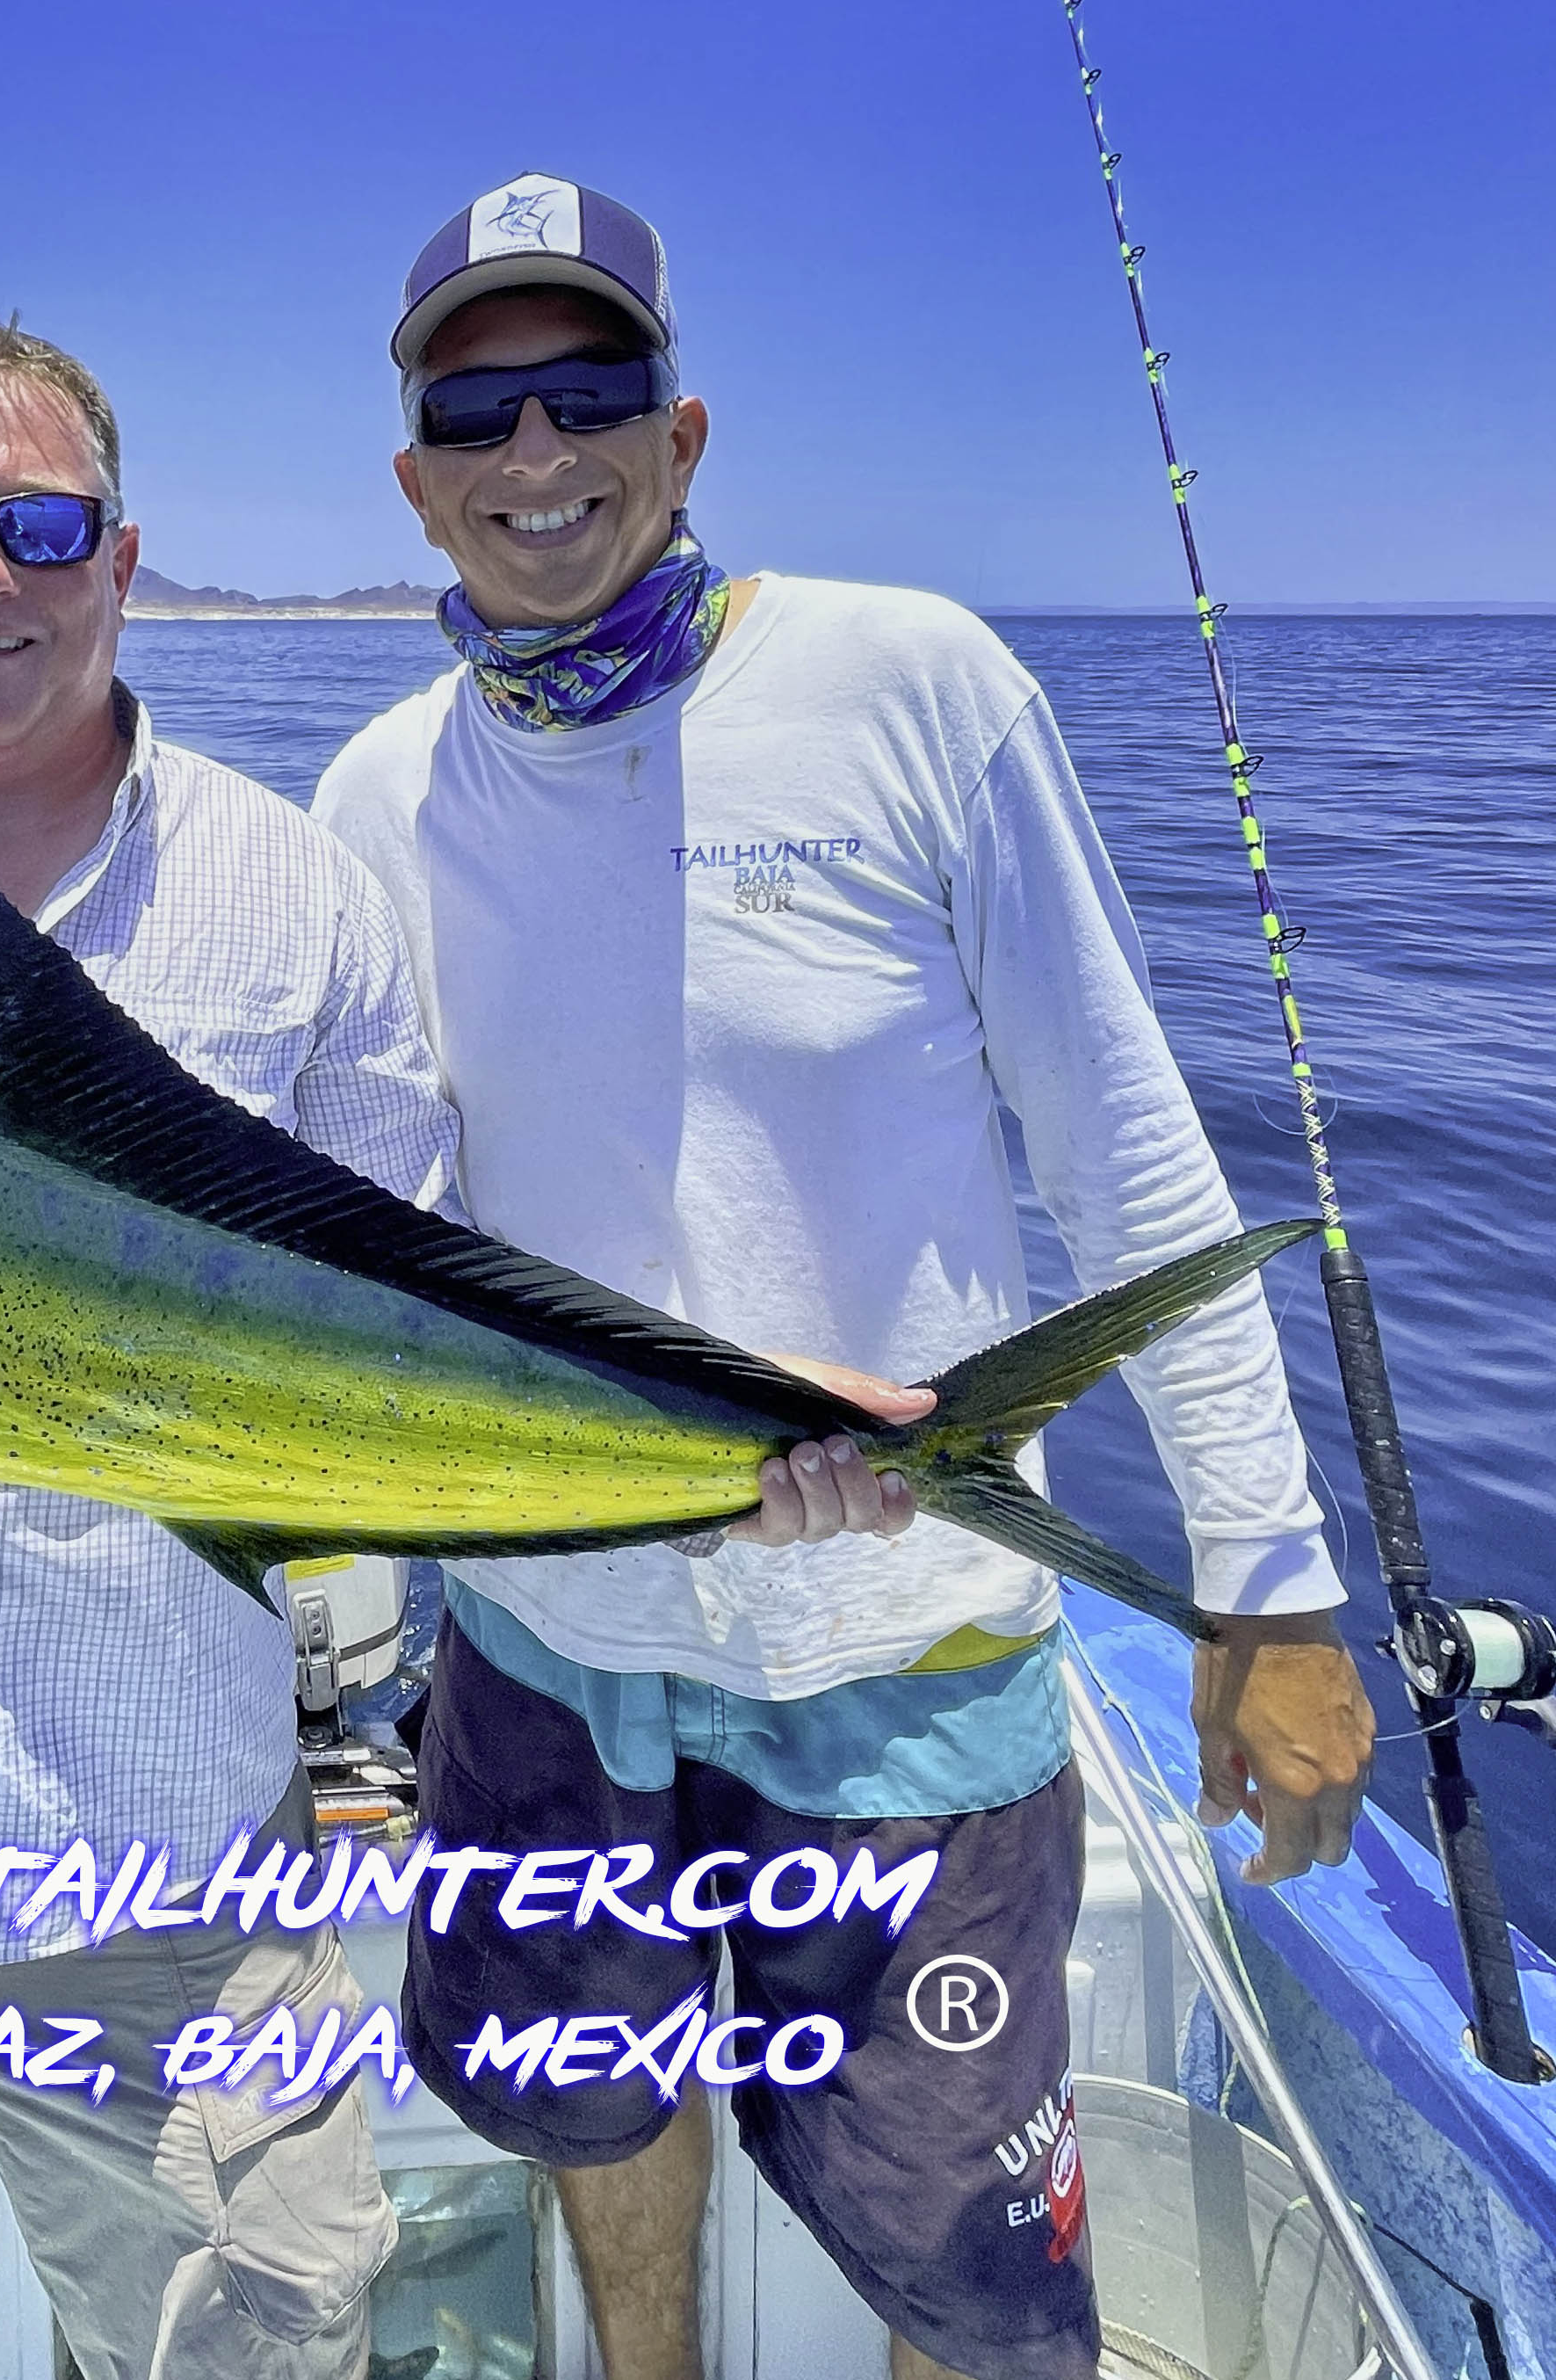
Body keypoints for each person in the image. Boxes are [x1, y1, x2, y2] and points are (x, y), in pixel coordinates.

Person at [0, 312, 914, 2380]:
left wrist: (732, 1445)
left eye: (41, 523)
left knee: (249, 2329)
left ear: (123, 557)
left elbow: (407, 1345)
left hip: (154, 1827)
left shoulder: (295, 898)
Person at [312, 175, 1379, 2380]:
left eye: (587, 389)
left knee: (951, 2253)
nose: (536, 452)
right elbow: (372, 1242)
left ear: (680, 432)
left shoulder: (915, 685)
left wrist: (1265, 1587)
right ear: (414, 479)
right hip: (542, 1644)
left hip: (903, 1644)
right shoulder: (370, 796)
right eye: (477, 412)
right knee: (593, 2110)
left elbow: (1125, 1154)